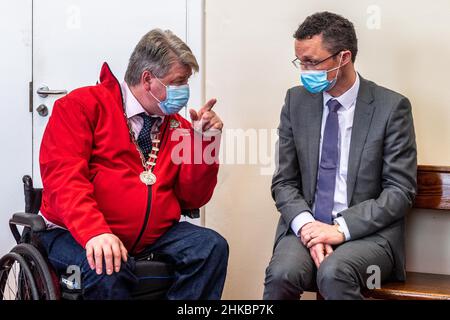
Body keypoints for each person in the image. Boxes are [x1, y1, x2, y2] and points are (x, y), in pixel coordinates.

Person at [37, 29, 228, 300]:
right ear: (148, 79)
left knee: (210, 247)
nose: (184, 91)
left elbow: (193, 197)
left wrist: (204, 142)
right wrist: (95, 232)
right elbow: (64, 180)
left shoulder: (179, 127)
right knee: (107, 265)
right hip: (74, 233)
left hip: (150, 238)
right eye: (178, 81)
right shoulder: (81, 106)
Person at [263, 12, 417, 300]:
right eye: (300, 62)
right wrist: (308, 226)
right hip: (305, 225)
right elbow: (283, 182)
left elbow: (399, 192)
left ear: (343, 57)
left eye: (312, 62)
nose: (304, 70)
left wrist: (340, 230)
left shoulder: (391, 108)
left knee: (335, 272)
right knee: (282, 274)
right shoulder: (296, 101)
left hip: (369, 235)